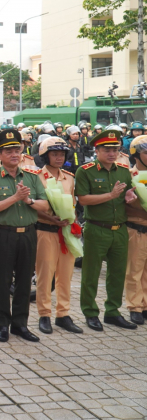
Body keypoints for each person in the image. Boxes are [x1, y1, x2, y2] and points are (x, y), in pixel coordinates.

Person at [0, 130, 49, 343]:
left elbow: (45, 205)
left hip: (28, 234)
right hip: (4, 234)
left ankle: (20, 324)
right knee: (2, 281)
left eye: (17, 150)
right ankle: (2, 324)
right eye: (8, 151)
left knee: (24, 281)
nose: (14, 154)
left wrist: (28, 201)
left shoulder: (31, 176)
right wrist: (15, 198)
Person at [76, 128, 139, 331]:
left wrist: (129, 198)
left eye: (115, 149)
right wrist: (110, 196)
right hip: (97, 228)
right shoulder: (85, 171)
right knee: (91, 273)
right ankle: (90, 312)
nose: (111, 153)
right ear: (97, 150)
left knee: (117, 273)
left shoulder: (123, 171)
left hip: (120, 229)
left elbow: (126, 197)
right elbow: (83, 199)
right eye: (106, 149)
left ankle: (112, 311)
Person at [34, 137, 82, 334]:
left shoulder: (69, 178)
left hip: (66, 231)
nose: (59, 157)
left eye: (62, 154)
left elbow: (72, 204)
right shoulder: (36, 177)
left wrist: (74, 224)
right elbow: (32, 206)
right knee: (45, 275)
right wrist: (52, 219)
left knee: (66, 274)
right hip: (45, 230)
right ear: (45, 156)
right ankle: (44, 314)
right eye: (54, 154)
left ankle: (63, 314)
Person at [126, 135, 147, 325]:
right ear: (136, 155)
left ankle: (145, 304)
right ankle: (135, 306)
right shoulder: (128, 176)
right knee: (134, 270)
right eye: (145, 152)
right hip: (136, 228)